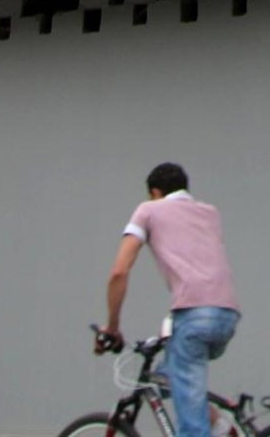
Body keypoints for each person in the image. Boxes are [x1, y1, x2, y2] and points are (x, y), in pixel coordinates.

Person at [97, 162, 240, 437]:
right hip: (226, 315)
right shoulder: (209, 212)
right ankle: (222, 428)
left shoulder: (149, 210)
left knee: (191, 426)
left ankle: (206, 429)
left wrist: (112, 327)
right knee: (168, 377)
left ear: (154, 192)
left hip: (194, 316)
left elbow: (118, 272)